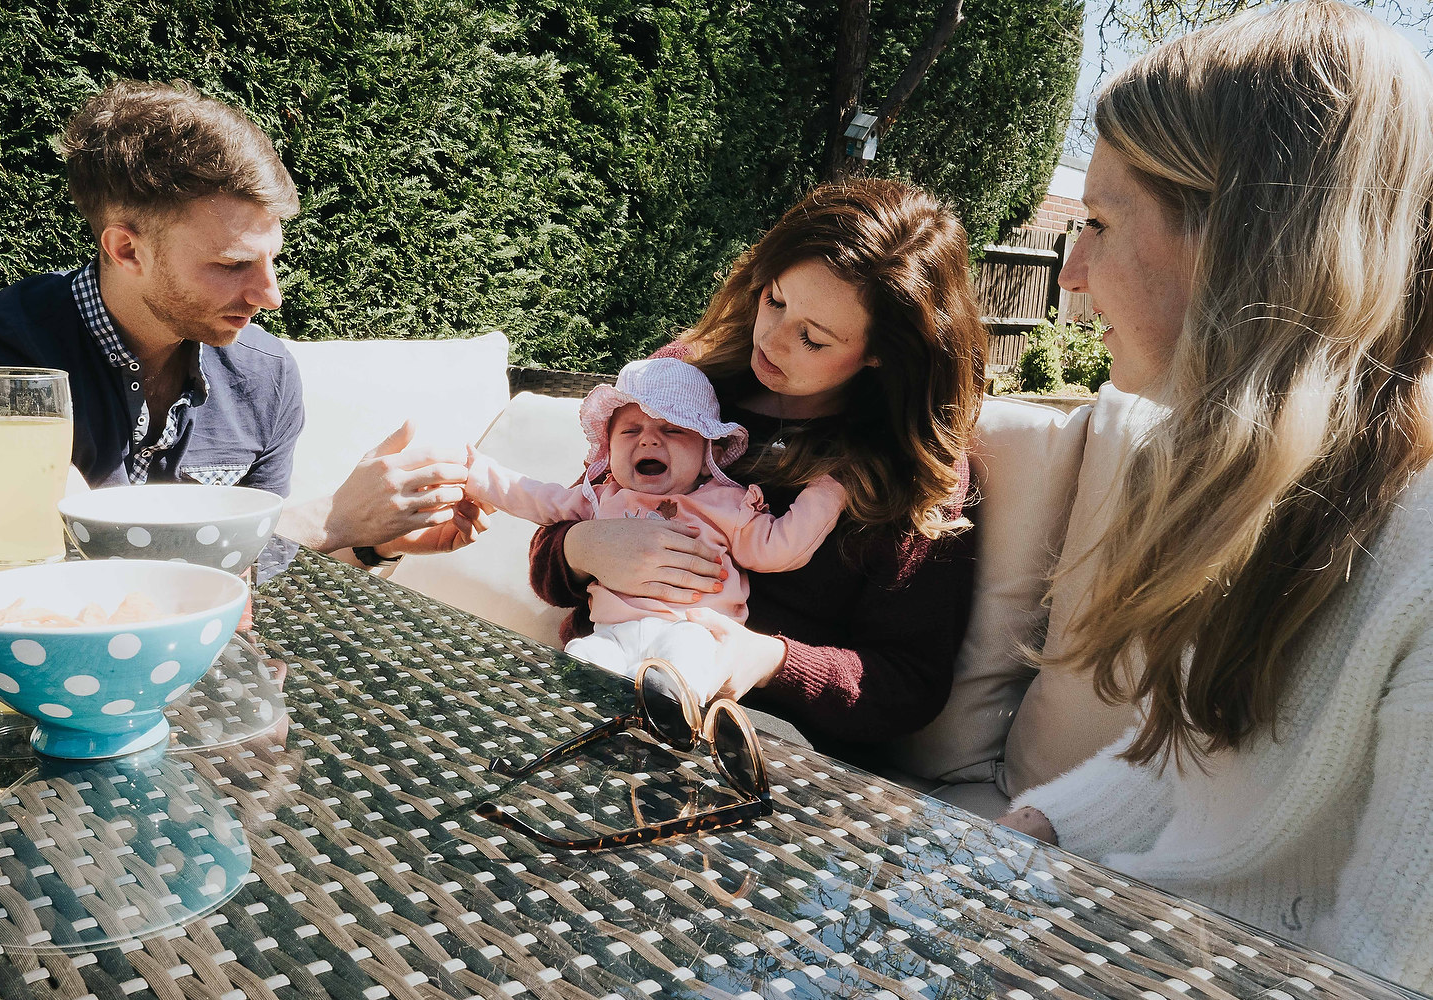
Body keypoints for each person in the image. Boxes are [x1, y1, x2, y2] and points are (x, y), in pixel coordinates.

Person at [994, 2, 1433, 989]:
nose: (1069, 275)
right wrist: (1038, 824)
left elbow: (1382, 970)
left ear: (1239, 242)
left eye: (1099, 225)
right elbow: (1193, 763)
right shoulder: (1245, 487)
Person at [0, 80, 479, 565]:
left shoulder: (264, 376)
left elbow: (250, 573)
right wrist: (329, 519)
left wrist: (371, 540)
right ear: (126, 249)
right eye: (231, 264)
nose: (271, 296)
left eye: (272, 260)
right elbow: (69, 564)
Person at [529, 179, 986, 753]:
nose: (769, 338)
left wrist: (772, 661)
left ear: (882, 355)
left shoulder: (912, 472)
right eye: (774, 300)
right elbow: (552, 553)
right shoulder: (681, 383)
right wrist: (584, 549)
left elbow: (908, 685)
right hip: (591, 695)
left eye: (812, 339)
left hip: (752, 754)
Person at [466, 356, 845, 699]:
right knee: (586, 657)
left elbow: (778, 547)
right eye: (630, 431)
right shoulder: (600, 498)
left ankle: (671, 700)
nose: (648, 437)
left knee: (689, 656)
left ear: (706, 456)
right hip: (611, 632)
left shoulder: (725, 504)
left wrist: (833, 485)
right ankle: (582, 698)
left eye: (673, 430)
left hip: (694, 627)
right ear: (609, 452)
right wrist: (476, 474)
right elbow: (536, 497)